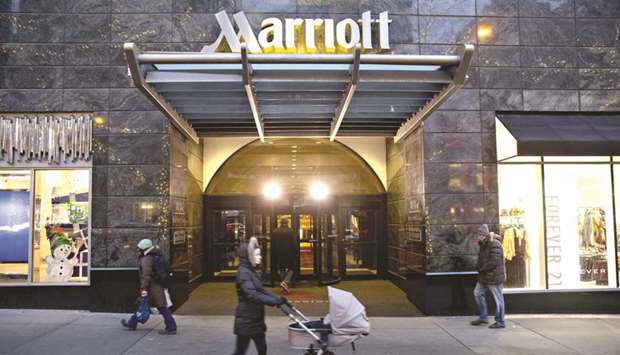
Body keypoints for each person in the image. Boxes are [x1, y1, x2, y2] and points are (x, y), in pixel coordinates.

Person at [233, 236, 285, 355]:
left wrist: (277, 299)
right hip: (246, 319)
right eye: (256, 255)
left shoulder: (251, 271)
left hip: (255, 318)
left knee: (262, 349)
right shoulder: (243, 273)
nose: (260, 257)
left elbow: (261, 291)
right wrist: (273, 302)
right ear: (249, 256)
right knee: (240, 351)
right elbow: (252, 294)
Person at [121, 239, 177, 335]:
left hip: (153, 286)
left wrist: (143, 288)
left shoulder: (146, 258)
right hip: (157, 285)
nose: (138, 250)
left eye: (139, 248)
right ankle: (131, 323)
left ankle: (171, 327)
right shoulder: (157, 254)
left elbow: (146, 275)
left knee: (161, 307)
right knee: (143, 304)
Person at [471, 224, 506, 329]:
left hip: (494, 277)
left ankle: (500, 321)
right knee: (477, 293)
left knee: (498, 299)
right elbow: (482, 259)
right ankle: (483, 317)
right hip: (484, 276)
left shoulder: (494, 243)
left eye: (479, 235)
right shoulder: (483, 244)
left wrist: (482, 268)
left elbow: (494, 261)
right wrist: (478, 266)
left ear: (483, 235)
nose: (477, 237)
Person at [271, 218, 297, 293]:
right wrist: (295, 253)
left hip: (278, 253)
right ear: (287, 223)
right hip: (289, 253)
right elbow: (294, 243)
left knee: (282, 268)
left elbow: (273, 243)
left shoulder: (275, 231)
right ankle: (285, 282)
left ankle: (284, 286)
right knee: (292, 268)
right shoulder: (290, 231)